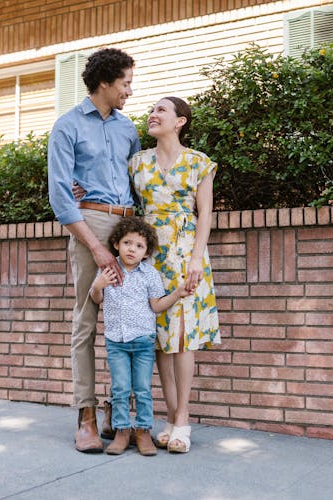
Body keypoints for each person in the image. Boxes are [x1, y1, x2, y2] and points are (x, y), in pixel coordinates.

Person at [47, 47, 140, 453]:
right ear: (105, 82)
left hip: (129, 224)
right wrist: (95, 246)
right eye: (125, 83)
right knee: (86, 321)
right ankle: (84, 413)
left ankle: (119, 414)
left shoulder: (128, 129)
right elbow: (60, 195)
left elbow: (141, 179)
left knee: (132, 322)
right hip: (91, 222)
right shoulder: (67, 127)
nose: (129, 91)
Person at [129, 96, 221, 453]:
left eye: (161, 110)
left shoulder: (199, 162)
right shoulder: (137, 162)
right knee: (160, 340)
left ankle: (183, 420)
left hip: (185, 254)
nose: (153, 114)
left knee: (183, 337)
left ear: (180, 121)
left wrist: (197, 258)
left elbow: (206, 214)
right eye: (151, 110)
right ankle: (169, 418)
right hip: (150, 257)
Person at [89, 217, 190, 456]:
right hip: (117, 342)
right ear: (116, 244)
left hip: (143, 341)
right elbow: (97, 299)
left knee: (143, 389)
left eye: (139, 246)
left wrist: (177, 293)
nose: (132, 249)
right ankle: (122, 431)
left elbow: (156, 305)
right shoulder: (107, 270)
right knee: (121, 388)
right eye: (127, 243)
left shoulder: (150, 275)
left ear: (146, 252)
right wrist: (98, 285)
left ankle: (144, 431)